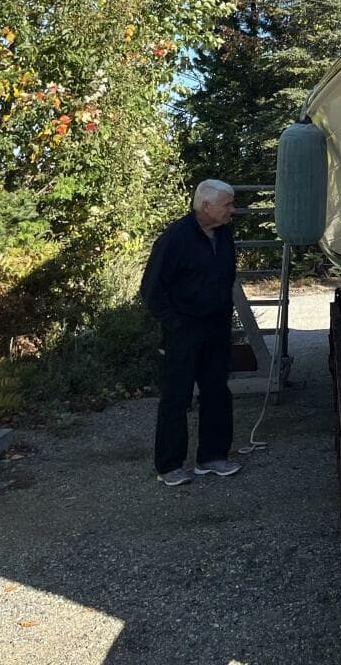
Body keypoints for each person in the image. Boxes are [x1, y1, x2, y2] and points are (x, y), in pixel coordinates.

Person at [141, 179, 242, 486]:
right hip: (184, 329)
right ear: (206, 206)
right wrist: (175, 324)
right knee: (177, 396)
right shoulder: (175, 238)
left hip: (217, 326)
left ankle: (212, 457)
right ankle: (169, 465)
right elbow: (151, 289)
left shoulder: (224, 235)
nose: (232, 210)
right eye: (227, 205)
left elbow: (226, 276)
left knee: (217, 391)